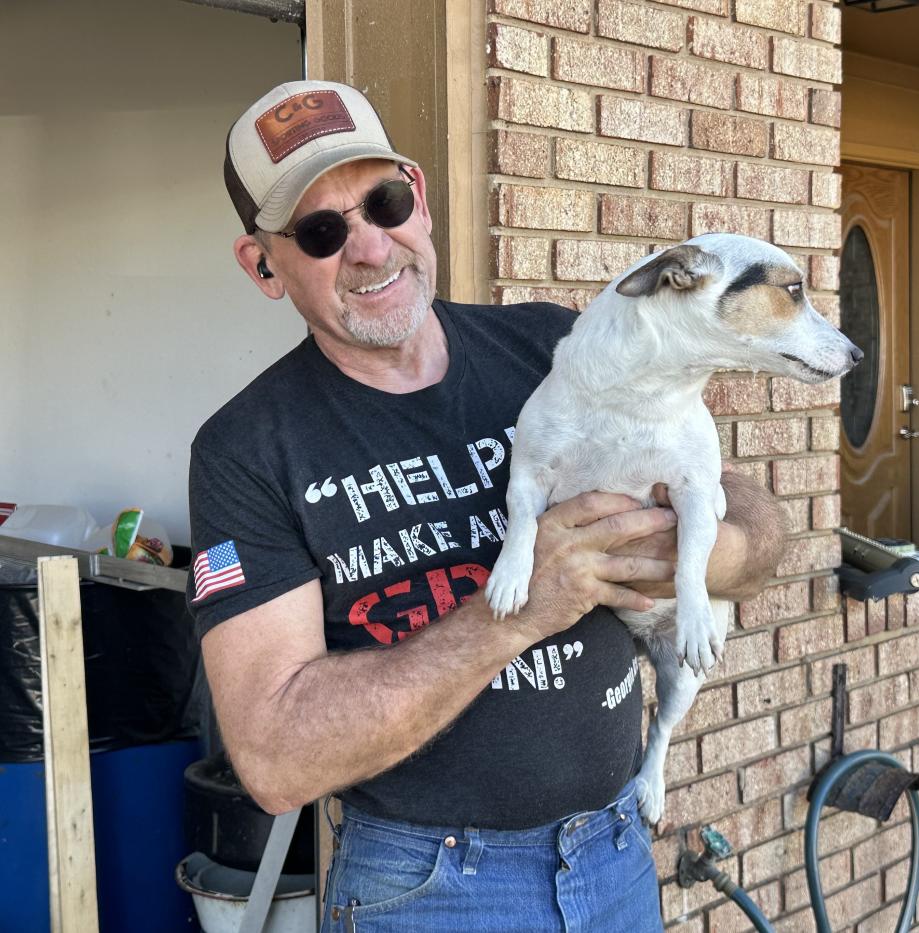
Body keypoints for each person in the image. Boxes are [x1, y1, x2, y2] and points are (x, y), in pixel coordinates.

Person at [188, 79, 786, 932]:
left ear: (419, 200)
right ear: (264, 266)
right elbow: (277, 757)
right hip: (428, 886)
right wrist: (518, 609)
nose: (369, 247)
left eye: (384, 201)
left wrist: (686, 554)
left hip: (616, 854)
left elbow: (756, 522)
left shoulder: (552, 347)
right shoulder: (248, 449)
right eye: (321, 232)